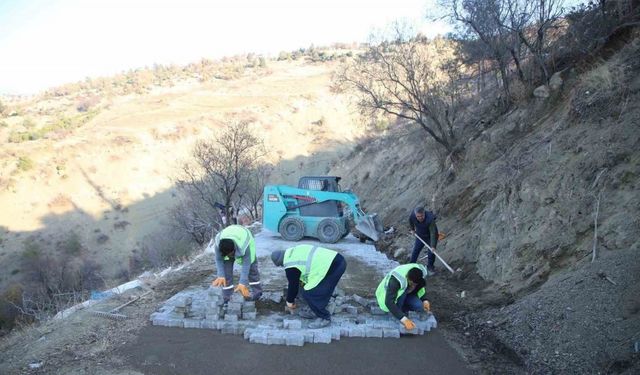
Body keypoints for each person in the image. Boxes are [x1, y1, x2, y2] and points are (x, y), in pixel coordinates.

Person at [270, 244, 347, 329]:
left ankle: (324, 317)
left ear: (280, 262)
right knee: (307, 287)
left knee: (310, 292)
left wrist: (289, 301)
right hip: (336, 259)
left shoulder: (290, 264)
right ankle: (313, 309)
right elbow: (301, 276)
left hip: (333, 266)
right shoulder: (293, 251)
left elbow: (293, 285)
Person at [211, 225, 262, 302]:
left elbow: (246, 265)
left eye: (230, 254)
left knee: (252, 270)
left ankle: (257, 294)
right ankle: (227, 297)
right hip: (230, 239)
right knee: (226, 273)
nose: (230, 256)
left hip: (244, 238)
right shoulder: (218, 245)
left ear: (234, 249)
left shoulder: (244, 244)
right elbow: (219, 260)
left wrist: (242, 283)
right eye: (227, 255)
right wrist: (221, 275)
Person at [375, 263, 431, 330]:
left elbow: (421, 289)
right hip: (387, 295)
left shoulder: (420, 274)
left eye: (415, 285)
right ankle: (399, 312)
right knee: (400, 302)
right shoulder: (395, 281)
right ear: (408, 278)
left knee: (419, 305)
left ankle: (403, 309)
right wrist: (404, 319)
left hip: (406, 293)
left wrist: (425, 300)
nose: (413, 286)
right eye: (412, 284)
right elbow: (389, 302)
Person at [409, 206, 438, 272]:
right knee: (416, 250)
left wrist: (433, 246)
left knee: (431, 253)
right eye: (418, 216)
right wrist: (412, 229)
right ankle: (411, 265)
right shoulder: (413, 215)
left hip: (430, 237)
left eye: (421, 216)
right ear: (415, 215)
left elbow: (433, 233)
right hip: (420, 235)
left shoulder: (430, 219)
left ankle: (430, 267)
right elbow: (410, 221)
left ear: (424, 213)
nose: (420, 218)